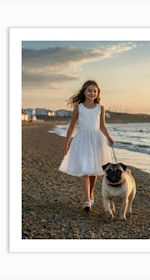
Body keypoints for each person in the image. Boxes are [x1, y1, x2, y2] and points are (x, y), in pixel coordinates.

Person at [59, 80, 114, 212]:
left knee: (94, 170)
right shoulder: (79, 108)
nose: (92, 93)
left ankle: (90, 193)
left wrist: (109, 137)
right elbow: (72, 126)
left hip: (96, 140)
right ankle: (87, 200)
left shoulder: (100, 108)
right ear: (84, 92)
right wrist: (66, 143)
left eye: (95, 91)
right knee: (85, 169)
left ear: (98, 93)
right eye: (89, 90)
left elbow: (102, 126)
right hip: (82, 140)